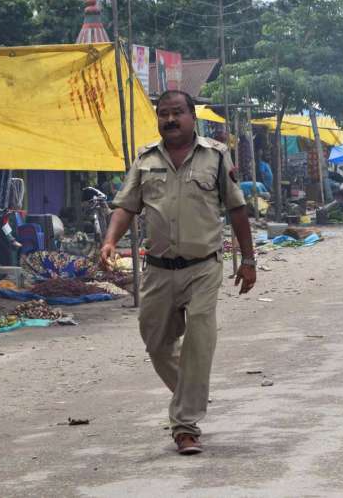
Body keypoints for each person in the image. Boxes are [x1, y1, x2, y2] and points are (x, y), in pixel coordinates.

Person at [101, 90, 256, 456]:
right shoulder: (144, 159)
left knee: (200, 341)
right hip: (157, 269)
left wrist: (248, 260)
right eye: (164, 114)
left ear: (192, 117)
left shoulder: (216, 156)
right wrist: (109, 241)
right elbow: (126, 206)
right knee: (156, 343)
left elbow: (237, 210)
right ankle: (190, 391)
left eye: (177, 113)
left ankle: (185, 425)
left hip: (203, 266)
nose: (170, 120)